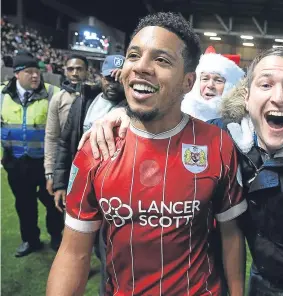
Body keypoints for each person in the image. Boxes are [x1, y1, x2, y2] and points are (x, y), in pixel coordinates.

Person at [84, 48, 283, 295]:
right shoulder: (228, 139)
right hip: (258, 281)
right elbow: (175, 129)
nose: (278, 96)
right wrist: (128, 119)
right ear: (246, 98)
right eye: (265, 84)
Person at [47, 12, 246, 296]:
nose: (141, 67)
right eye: (133, 55)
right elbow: (73, 253)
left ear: (188, 83)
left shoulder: (217, 143)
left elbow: (231, 234)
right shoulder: (96, 147)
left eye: (161, 60)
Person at [1, 51, 64, 257]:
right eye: (29, 72)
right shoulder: (2, 95)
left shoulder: (54, 93)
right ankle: (30, 240)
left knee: (53, 203)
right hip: (16, 162)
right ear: (17, 74)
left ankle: (56, 237)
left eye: (37, 71)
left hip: (46, 163)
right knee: (24, 204)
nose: (36, 76)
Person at [52, 55, 125, 210]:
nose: (113, 84)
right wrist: (60, 183)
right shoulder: (83, 102)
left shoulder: (132, 109)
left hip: (114, 187)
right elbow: (65, 143)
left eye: (119, 79)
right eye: (108, 78)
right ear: (100, 77)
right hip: (80, 179)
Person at [44, 54, 89, 196]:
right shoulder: (58, 99)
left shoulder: (97, 96)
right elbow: (52, 137)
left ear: (87, 71)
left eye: (79, 69)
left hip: (90, 161)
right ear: (65, 71)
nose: (74, 73)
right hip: (66, 161)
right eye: (70, 69)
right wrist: (50, 172)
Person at [181, 46, 244, 121]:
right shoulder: (180, 115)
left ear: (230, 86)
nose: (210, 85)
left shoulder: (238, 122)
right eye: (205, 79)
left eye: (218, 80)